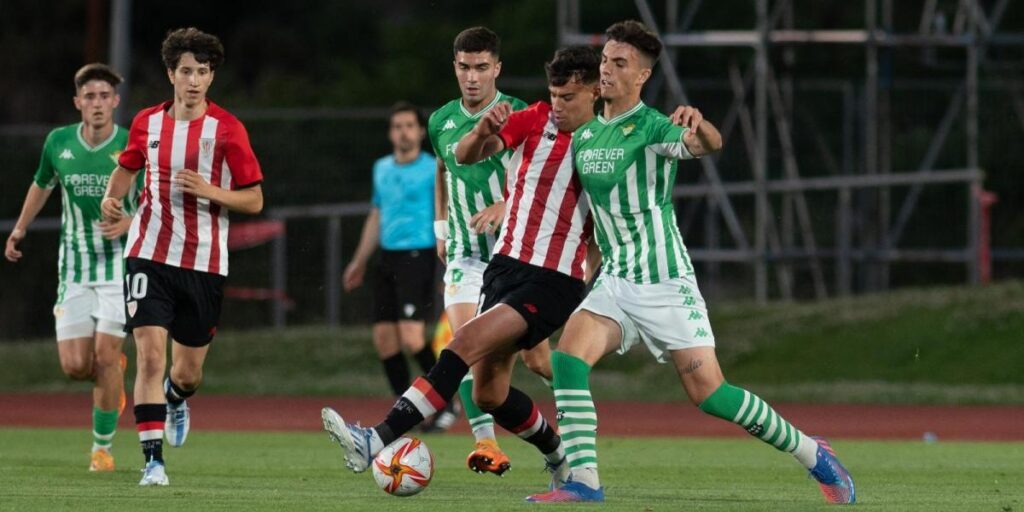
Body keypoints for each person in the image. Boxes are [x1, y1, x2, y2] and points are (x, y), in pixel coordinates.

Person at [526, 21, 856, 504]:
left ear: (641, 76)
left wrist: (699, 125)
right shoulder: (586, 135)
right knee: (568, 360)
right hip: (617, 278)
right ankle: (584, 483)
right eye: (605, 62)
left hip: (664, 280)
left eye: (620, 64)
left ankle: (813, 453)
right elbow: (593, 219)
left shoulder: (655, 126)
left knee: (710, 394)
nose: (609, 71)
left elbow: (709, 145)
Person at [319, 45, 603, 491]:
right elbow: (464, 157)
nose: (559, 107)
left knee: (463, 341)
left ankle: (375, 438)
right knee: (489, 392)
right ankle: (561, 457)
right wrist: (483, 130)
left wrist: (584, 282)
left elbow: (611, 222)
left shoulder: (602, 145)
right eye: (554, 95)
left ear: (594, 91)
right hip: (505, 268)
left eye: (569, 98)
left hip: (551, 279)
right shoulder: (536, 117)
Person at [101, 27, 264, 487]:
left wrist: (210, 190)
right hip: (148, 254)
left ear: (212, 77)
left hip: (205, 264)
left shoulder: (227, 129)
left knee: (186, 373)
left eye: (203, 72)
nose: (194, 80)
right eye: (186, 71)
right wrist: (114, 199)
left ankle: (177, 398)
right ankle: (153, 461)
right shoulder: (146, 123)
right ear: (170, 74)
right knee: (150, 358)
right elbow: (127, 168)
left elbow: (253, 200)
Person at [4, 63, 138, 473]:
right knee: (76, 366)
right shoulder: (58, 142)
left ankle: (102, 449)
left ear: (115, 102)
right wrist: (20, 228)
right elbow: (41, 183)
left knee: (105, 351)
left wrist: (131, 222)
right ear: (78, 102)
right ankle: (112, 374)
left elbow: (158, 200)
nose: (97, 104)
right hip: (75, 268)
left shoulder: (133, 145)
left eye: (104, 96)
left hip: (119, 266)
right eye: (90, 97)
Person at [427, 26, 549, 471]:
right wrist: (441, 225)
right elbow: (442, 166)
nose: (472, 77)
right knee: (462, 345)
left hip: (517, 255)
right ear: (455, 67)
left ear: (497, 67)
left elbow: (541, 180)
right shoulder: (440, 120)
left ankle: (577, 415)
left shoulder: (519, 113)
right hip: (465, 252)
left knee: (539, 361)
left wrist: (505, 202)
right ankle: (486, 444)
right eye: (464, 67)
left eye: (481, 67)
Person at [342, 102, 440, 400]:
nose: (404, 132)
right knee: (384, 340)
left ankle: (444, 401)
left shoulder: (432, 167)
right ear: (390, 133)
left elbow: (444, 211)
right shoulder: (381, 168)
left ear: (421, 132)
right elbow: (377, 214)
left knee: (412, 338)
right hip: (387, 259)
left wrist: (444, 259)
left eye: (409, 126)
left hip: (418, 256)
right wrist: (359, 260)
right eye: (398, 127)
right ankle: (406, 407)